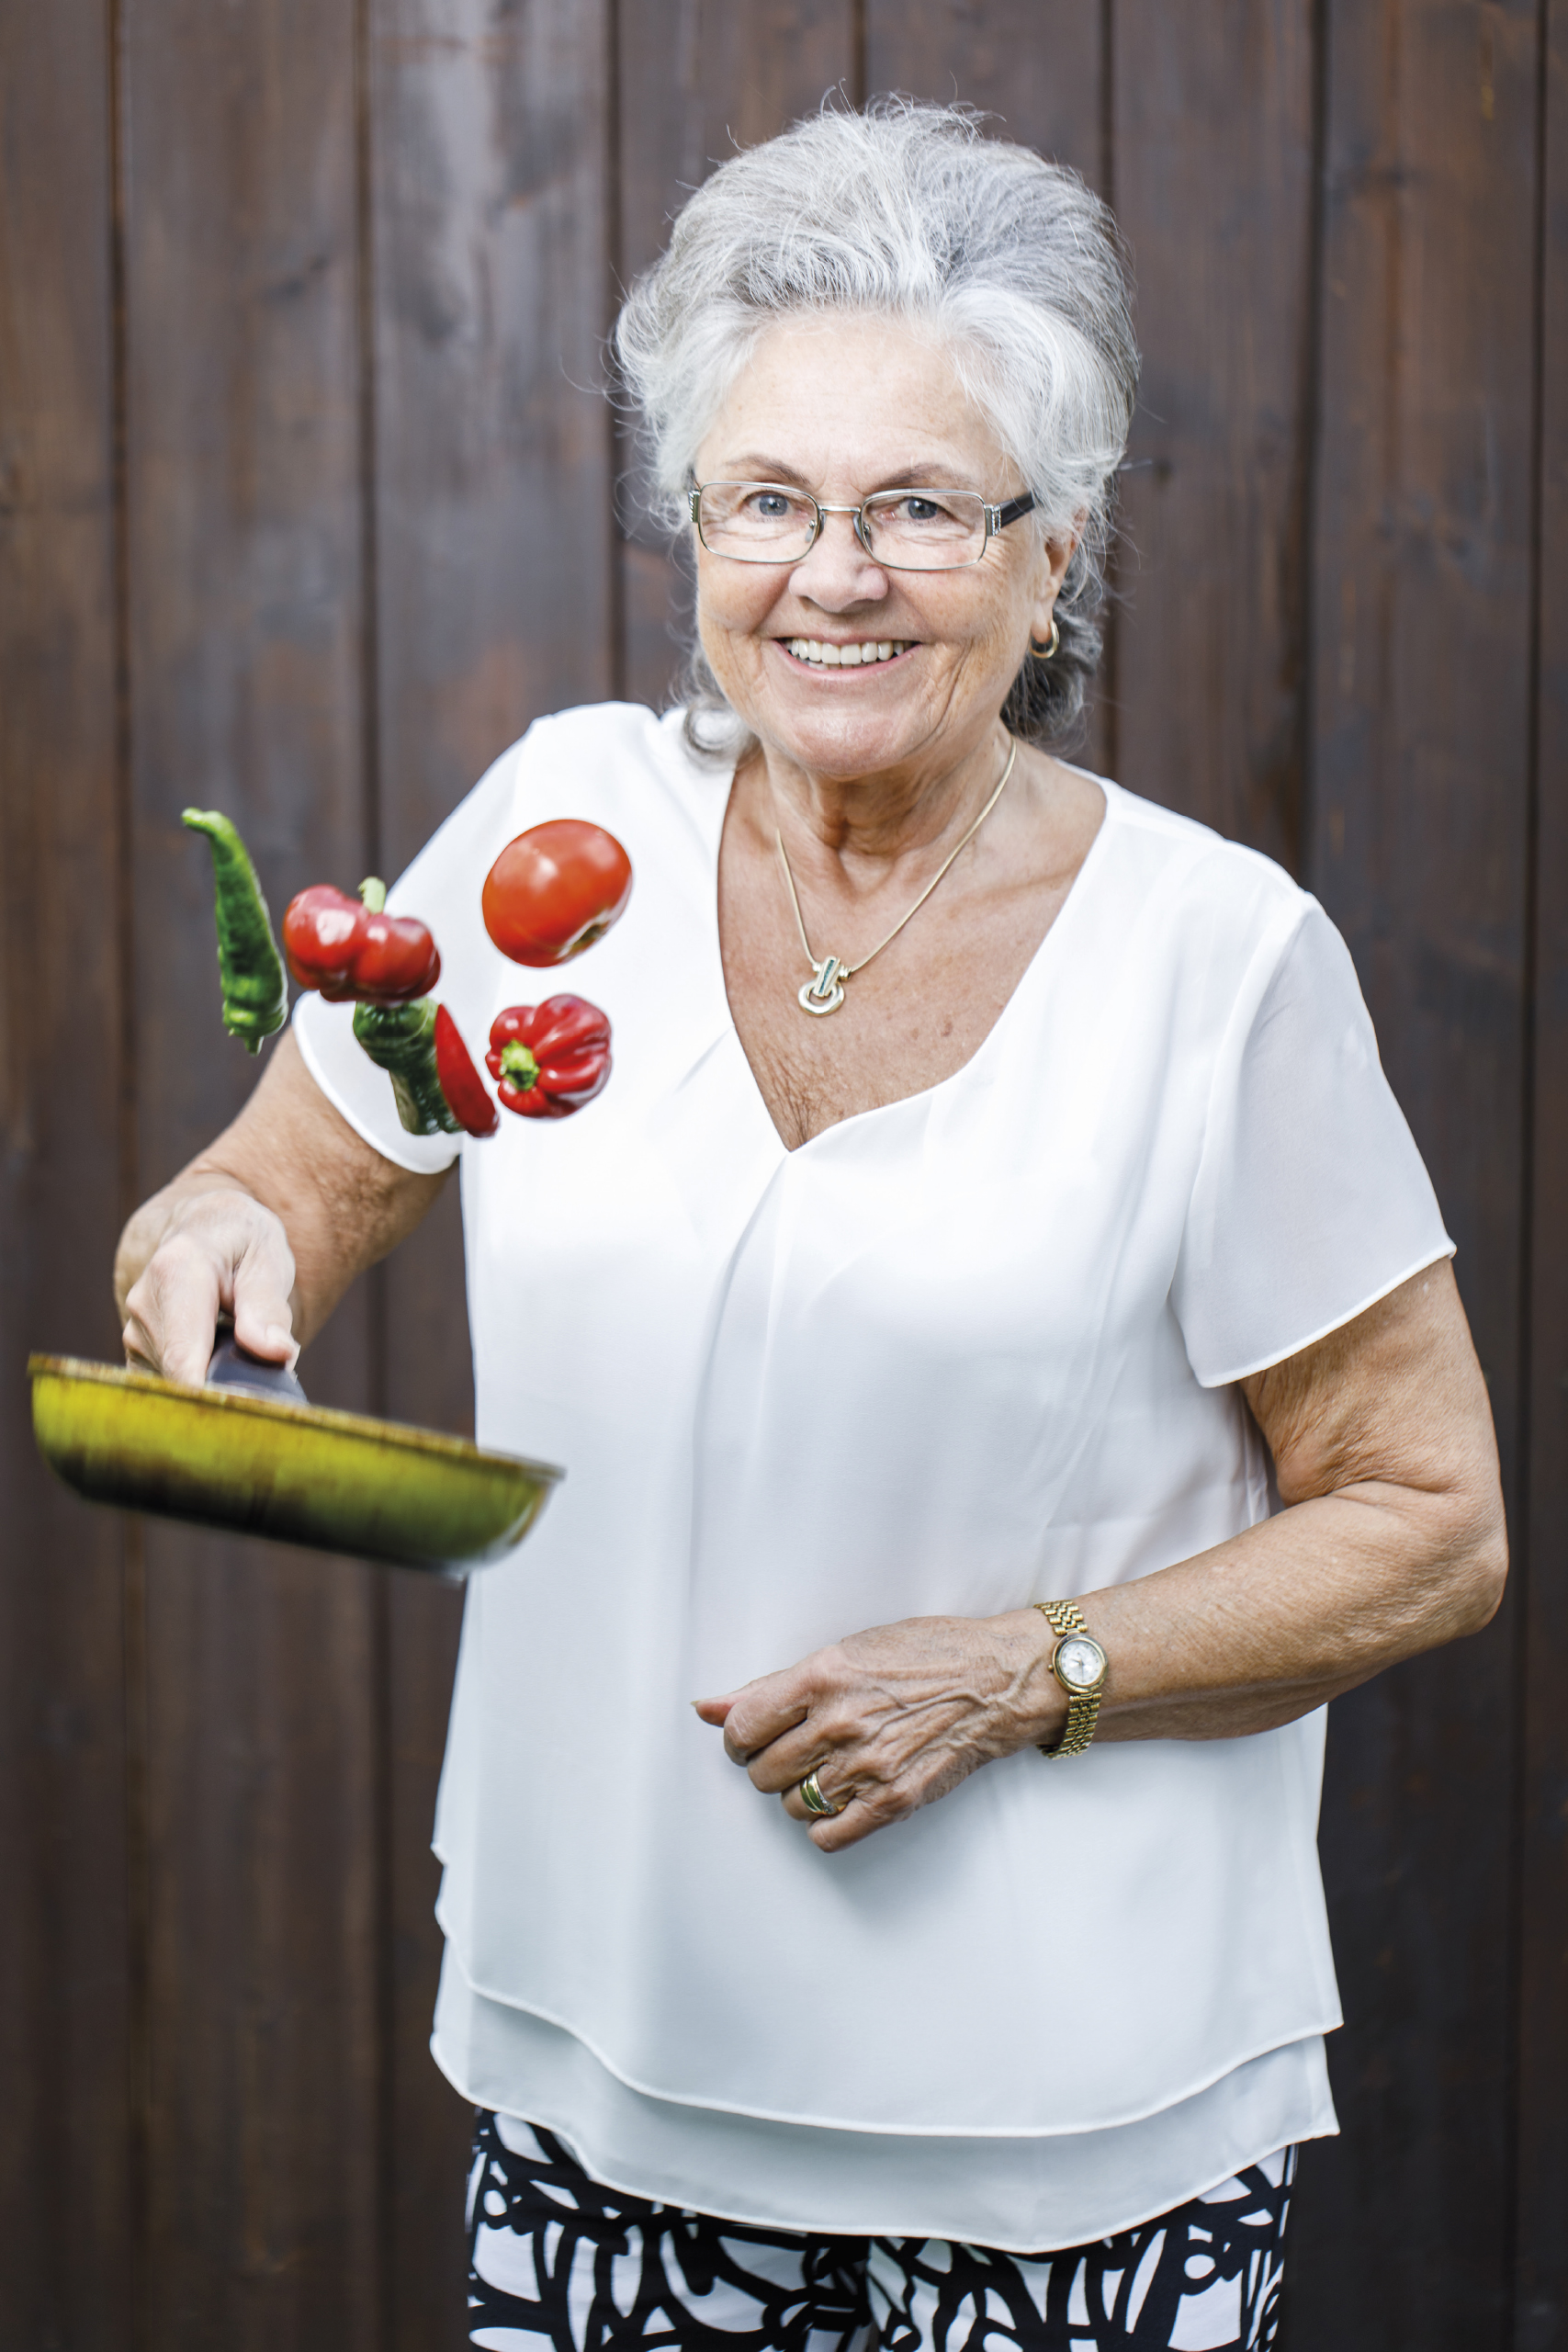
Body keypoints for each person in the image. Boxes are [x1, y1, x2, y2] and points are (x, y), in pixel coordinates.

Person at [116, 102, 1505, 2352]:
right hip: (598, 2085)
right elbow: (285, 1170)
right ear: (692, 535)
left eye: (917, 510)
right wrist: (209, 1241)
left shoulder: (1212, 960)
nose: (828, 573)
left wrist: (1021, 1670)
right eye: (765, 500)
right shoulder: (560, 823)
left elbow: (1429, 1520)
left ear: (1050, 560)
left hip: (1059, 2144)